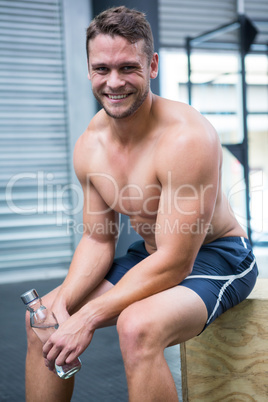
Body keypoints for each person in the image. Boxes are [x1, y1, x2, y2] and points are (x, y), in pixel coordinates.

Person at [25, 6, 258, 401]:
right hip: (150, 256)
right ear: (88, 70)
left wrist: (85, 317)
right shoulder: (89, 145)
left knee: (136, 327)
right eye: (101, 69)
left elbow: (175, 261)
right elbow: (98, 241)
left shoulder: (186, 138)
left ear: (151, 66)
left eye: (127, 68)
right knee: (40, 322)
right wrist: (62, 304)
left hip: (217, 257)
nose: (113, 82)